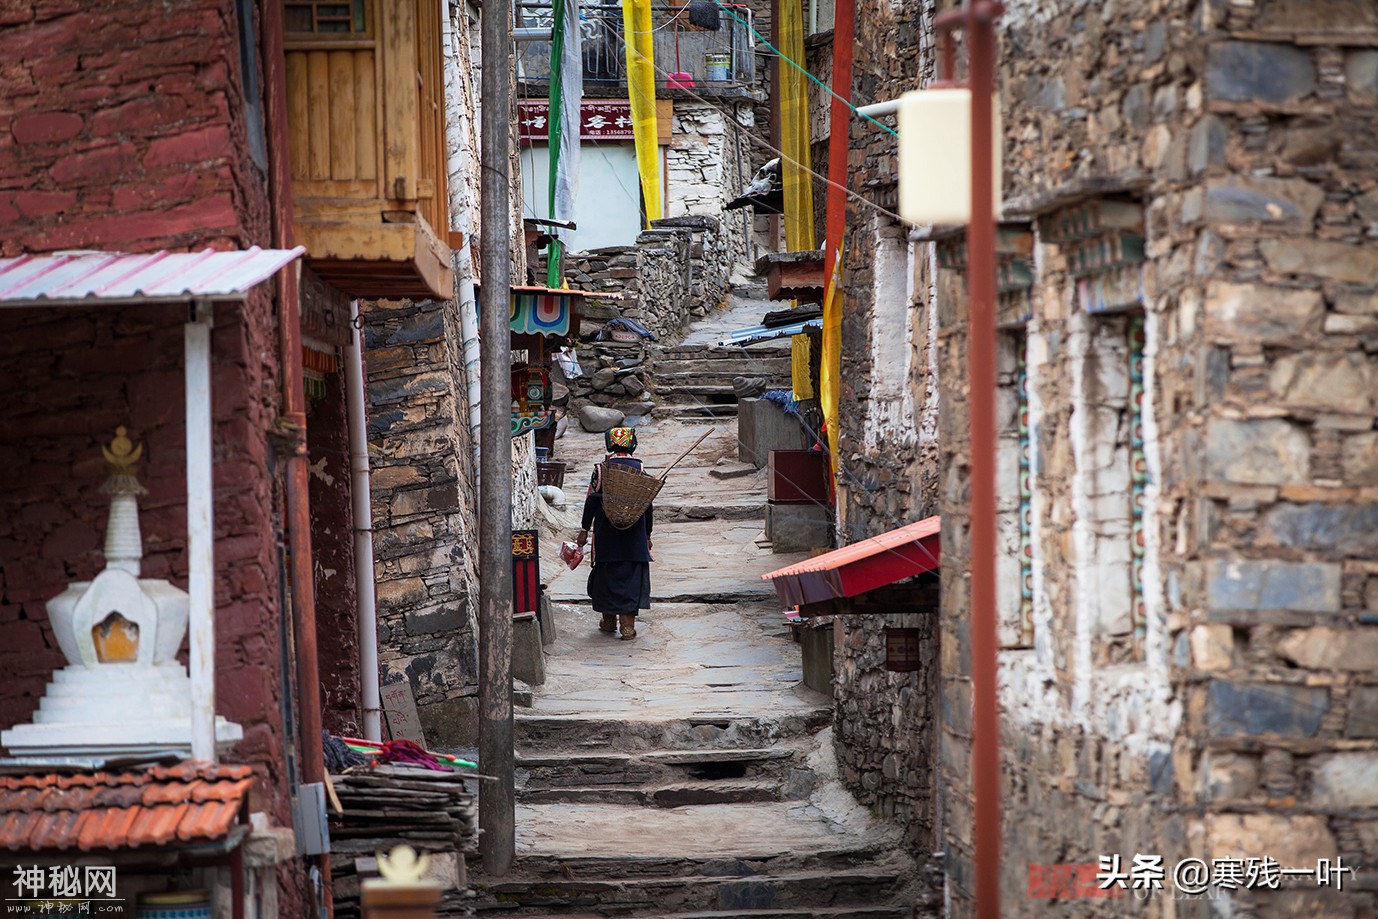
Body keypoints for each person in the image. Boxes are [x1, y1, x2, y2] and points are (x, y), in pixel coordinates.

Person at [576, 427, 652, 639]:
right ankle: (627, 625)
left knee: (606, 576)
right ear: (632, 444)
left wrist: (584, 529)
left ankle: (608, 621)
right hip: (634, 535)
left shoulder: (602, 469)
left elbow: (592, 500)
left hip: (606, 534)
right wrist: (647, 534)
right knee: (631, 576)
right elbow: (648, 504)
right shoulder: (640, 468)